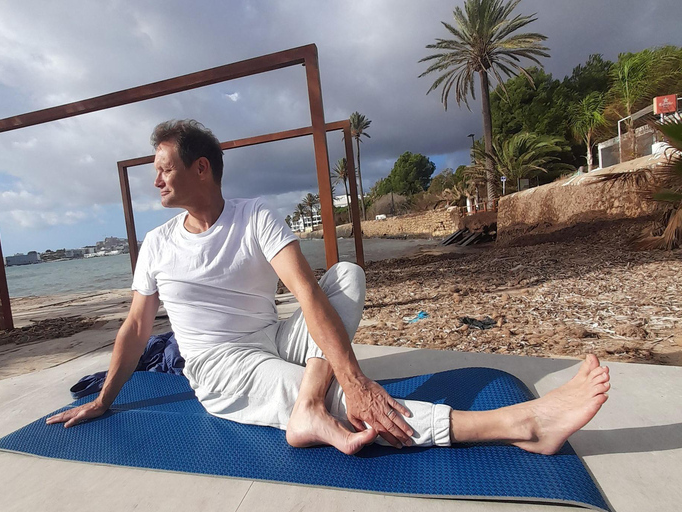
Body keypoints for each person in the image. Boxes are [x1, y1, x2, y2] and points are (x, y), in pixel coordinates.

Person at [47, 120, 611, 455]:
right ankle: (522, 424)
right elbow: (136, 326)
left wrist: (354, 373)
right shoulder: (158, 243)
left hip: (272, 335)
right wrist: (104, 399)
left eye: (165, 168)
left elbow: (310, 295)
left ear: (201, 169)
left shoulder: (254, 217)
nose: (156, 179)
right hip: (222, 368)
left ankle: (309, 407)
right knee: (350, 399)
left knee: (346, 277)